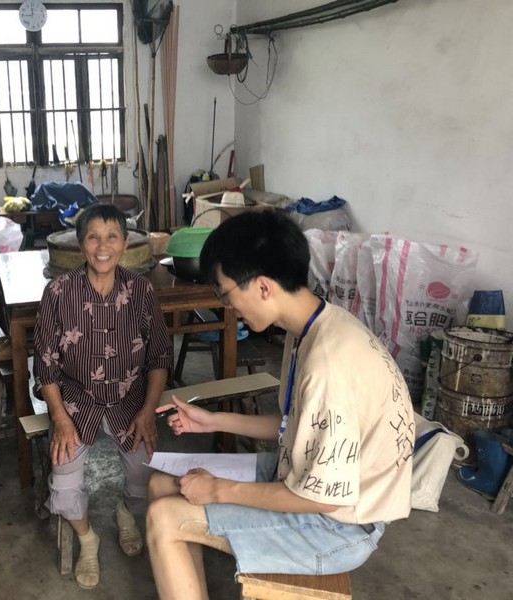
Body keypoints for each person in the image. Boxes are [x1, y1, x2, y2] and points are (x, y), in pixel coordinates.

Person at [146, 210, 415, 600]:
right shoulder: (312, 324)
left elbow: (321, 499)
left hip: (338, 527)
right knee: (161, 484)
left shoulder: (328, 364)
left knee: (164, 517)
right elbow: (296, 426)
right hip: (301, 477)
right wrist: (213, 420)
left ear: (262, 287)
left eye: (225, 293)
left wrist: (219, 489)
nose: (228, 306)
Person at [32, 204, 173, 589]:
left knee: (145, 480)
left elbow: (160, 356)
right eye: (93, 237)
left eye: (112, 236)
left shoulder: (141, 291)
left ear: (125, 243)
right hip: (75, 404)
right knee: (63, 487)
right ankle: (87, 539)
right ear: (81, 245)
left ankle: (125, 513)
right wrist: (60, 418)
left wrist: (148, 410)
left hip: (131, 401)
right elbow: (45, 365)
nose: (103, 246)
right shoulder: (58, 292)